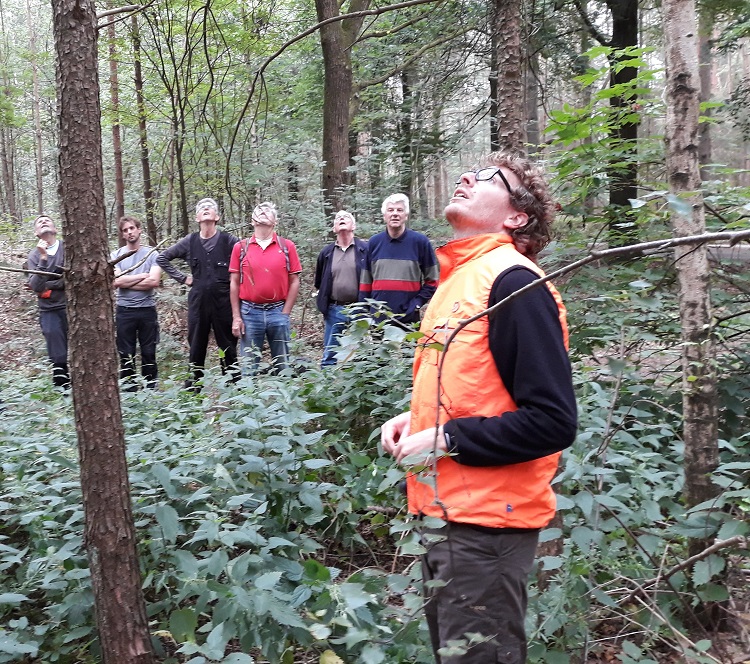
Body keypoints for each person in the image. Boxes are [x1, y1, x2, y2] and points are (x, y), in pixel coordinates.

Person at [380, 153, 577, 664]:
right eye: (468, 171)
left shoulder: (513, 282)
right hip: (442, 512)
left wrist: (447, 439)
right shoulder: (458, 281)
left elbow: (553, 420)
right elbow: (473, 389)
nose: (466, 176)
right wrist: (416, 421)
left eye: (489, 178)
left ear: (517, 216)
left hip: (486, 525)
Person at [156, 198, 239, 389]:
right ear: (197, 218)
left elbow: (247, 256)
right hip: (198, 302)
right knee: (196, 345)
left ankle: (234, 390)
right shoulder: (190, 241)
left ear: (217, 217)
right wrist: (183, 278)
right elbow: (162, 258)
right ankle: (194, 391)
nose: (206, 209)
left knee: (227, 346)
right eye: (202, 208)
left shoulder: (229, 241)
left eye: (210, 208)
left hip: (223, 301)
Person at [229, 202, 302, 374]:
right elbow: (233, 282)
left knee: (282, 364)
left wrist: (286, 312)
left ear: (275, 221)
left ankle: (285, 398)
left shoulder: (286, 246)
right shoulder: (241, 247)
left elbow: (295, 281)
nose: (263, 212)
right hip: (249, 313)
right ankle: (249, 399)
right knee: (249, 366)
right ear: (252, 221)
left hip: (278, 311)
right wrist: (236, 317)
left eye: (268, 211)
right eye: (259, 211)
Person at [358, 193, 438, 325]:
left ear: (406, 215)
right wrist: (364, 314)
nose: (395, 214)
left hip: (408, 318)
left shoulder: (420, 242)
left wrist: (416, 304)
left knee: (409, 346)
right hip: (378, 319)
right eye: (390, 210)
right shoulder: (374, 242)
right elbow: (365, 282)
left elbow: (433, 281)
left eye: (399, 210)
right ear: (384, 216)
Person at [110, 216, 162, 389]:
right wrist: (141, 276)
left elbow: (154, 282)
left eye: (132, 228)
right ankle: (129, 391)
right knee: (126, 353)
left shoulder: (152, 254)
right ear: (122, 235)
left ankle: (151, 389)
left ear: (139, 230)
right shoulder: (116, 255)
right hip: (124, 310)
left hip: (147, 310)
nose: (129, 232)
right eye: (125, 230)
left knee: (149, 352)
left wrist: (127, 280)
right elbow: (116, 282)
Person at [314, 210, 368, 367]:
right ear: (334, 228)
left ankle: (364, 384)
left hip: (361, 309)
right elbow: (320, 281)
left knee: (363, 352)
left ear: (354, 226)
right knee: (330, 353)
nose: (341, 219)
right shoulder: (326, 253)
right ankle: (327, 385)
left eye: (346, 217)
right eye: (338, 218)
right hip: (335, 309)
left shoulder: (365, 249)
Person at [27, 214, 69, 388]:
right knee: (57, 354)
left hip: (71, 306)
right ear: (37, 233)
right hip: (49, 310)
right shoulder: (34, 256)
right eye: (39, 222)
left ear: (55, 228)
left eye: (47, 220)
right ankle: (63, 391)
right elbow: (36, 286)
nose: (43, 221)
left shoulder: (67, 248)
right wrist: (43, 258)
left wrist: (49, 286)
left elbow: (71, 278)